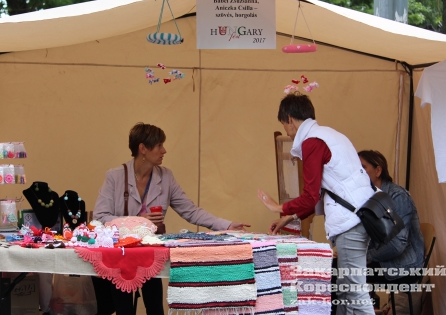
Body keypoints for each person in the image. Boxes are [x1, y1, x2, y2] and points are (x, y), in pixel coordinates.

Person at [92, 122, 250, 315]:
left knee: (156, 307)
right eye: (159, 145)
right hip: (121, 255)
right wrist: (139, 220)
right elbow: (100, 217)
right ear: (143, 148)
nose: (164, 150)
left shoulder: (165, 177)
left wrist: (227, 225)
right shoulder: (115, 177)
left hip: (151, 254)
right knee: (123, 309)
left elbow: (190, 211)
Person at [258, 92, 375, 315]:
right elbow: (321, 195)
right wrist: (289, 217)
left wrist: (280, 207)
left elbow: (311, 196)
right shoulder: (330, 135)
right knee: (346, 291)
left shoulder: (312, 142)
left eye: (284, 125)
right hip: (359, 218)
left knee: (355, 293)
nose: (287, 132)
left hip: (351, 223)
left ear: (289, 119)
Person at [358, 150, 424, 306]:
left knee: (341, 273)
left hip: (404, 267)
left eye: (363, 168)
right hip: (387, 261)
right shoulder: (370, 198)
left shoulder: (398, 197)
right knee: (337, 266)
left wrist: (367, 256)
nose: (358, 173)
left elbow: (397, 244)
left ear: (378, 171)